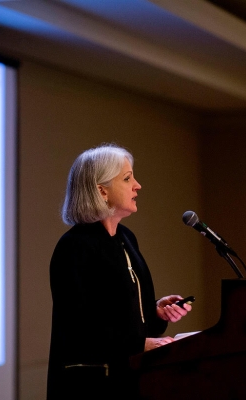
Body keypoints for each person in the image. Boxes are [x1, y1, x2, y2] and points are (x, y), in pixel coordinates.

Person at [46, 144, 192, 399]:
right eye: (127, 178)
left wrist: (156, 311)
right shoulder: (75, 246)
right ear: (101, 191)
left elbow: (123, 314)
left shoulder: (126, 238)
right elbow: (81, 326)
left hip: (131, 377)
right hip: (91, 385)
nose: (138, 185)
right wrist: (139, 345)